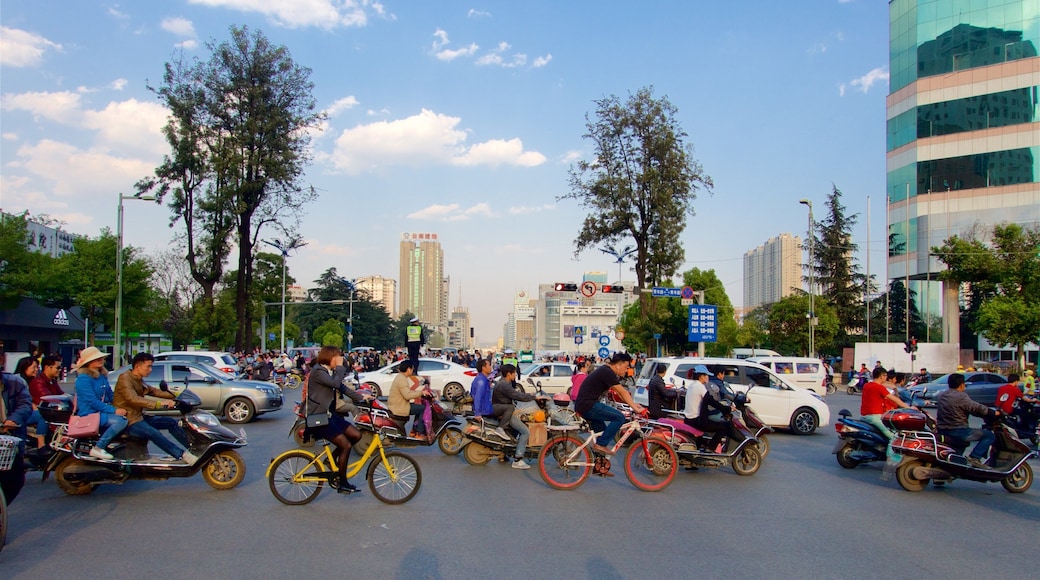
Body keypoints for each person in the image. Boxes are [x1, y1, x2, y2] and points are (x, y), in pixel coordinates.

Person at [113, 352, 198, 464]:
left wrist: (178, 394)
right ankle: (182, 455)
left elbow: (154, 391)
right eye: (148, 366)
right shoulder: (125, 378)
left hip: (139, 417)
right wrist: (160, 404)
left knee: (171, 422)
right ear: (138, 366)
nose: (151, 369)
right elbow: (133, 399)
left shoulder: (138, 379)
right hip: (129, 420)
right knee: (153, 433)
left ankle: (194, 449)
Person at [308, 346, 369, 494]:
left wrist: (362, 397)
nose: (340, 360)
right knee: (346, 446)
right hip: (319, 417)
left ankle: (331, 460)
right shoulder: (318, 371)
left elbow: (342, 387)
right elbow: (336, 383)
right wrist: (341, 367)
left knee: (356, 435)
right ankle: (342, 482)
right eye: (338, 357)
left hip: (329, 415)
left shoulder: (327, 371)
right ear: (330, 357)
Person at [574, 352, 645, 460]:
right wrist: (636, 409)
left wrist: (634, 404)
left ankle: (600, 465)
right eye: (626, 367)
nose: (626, 370)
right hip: (588, 406)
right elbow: (623, 392)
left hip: (584, 405)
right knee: (619, 417)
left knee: (602, 433)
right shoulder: (607, 372)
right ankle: (600, 445)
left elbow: (621, 394)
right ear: (618, 365)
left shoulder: (605, 370)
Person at [73, 347, 128, 460]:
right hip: (90, 414)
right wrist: (114, 410)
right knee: (121, 421)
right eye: (96, 359)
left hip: (102, 411)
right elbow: (92, 402)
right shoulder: (83, 379)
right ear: (88, 362)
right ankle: (98, 448)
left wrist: (121, 405)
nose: (101, 360)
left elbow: (109, 394)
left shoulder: (101, 376)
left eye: (101, 358)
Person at [936, 372, 999, 468]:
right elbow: (976, 407)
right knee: (989, 435)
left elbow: (967, 409)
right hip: (958, 430)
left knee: (959, 450)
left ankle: (949, 468)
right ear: (961, 384)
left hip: (942, 429)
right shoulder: (961, 396)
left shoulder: (942, 395)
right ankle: (975, 457)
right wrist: (993, 413)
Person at [492, 364, 544, 470]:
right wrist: (534, 397)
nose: (515, 374)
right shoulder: (505, 385)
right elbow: (517, 396)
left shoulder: (502, 381)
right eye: (514, 373)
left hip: (502, 408)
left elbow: (516, 394)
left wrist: (531, 395)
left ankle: (504, 453)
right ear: (508, 374)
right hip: (505, 412)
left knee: (515, 431)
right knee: (525, 432)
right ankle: (518, 459)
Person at [860, 367, 914, 463]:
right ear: (881, 376)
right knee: (894, 436)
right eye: (885, 375)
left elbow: (884, 384)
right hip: (875, 417)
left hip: (865, 416)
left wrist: (893, 387)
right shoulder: (879, 388)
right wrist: (908, 408)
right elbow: (894, 399)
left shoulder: (867, 385)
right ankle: (891, 459)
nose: (886, 377)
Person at [683, 365, 741, 452]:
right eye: (706, 375)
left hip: (689, 419)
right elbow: (712, 401)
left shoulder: (692, 385)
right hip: (696, 420)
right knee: (724, 427)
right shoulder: (700, 387)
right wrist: (728, 409)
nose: (708, 378)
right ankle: (711, 448)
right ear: (701, 376)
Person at [1, 350, 33, 505]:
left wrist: (13, 419)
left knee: (16, 479)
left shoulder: (14, 383)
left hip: (10, 439)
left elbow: (25, 405)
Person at [28, 355, 64, 448]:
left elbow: (62, 394)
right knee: (44, 415)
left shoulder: (52, 381)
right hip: (33, 412)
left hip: (47, 410)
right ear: (47, 367)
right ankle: (41, 445)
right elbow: (47, 399)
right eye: (58, 367)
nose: (60, 370)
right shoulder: (38, 382)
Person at [387, 359, 429, 438]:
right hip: (400, 407)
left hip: (399, 405)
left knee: (418, 407)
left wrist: (419, 392)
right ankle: (419, 433)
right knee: (423, 408)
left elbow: (407, 392)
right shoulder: (402, 380)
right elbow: (407, 395)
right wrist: (421, 393)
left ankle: (414, 431)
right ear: (408, 369)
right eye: (412, 368)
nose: (413, 370)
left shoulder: (400, 377)